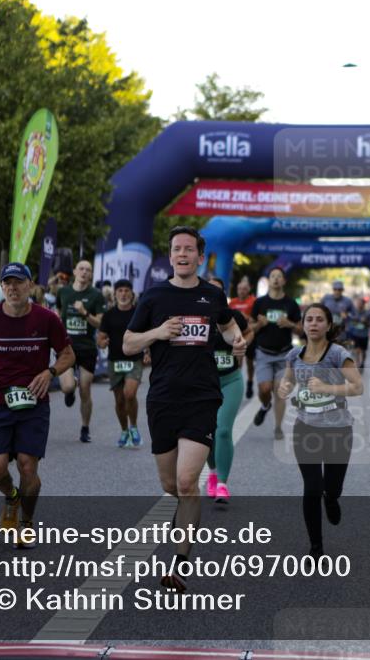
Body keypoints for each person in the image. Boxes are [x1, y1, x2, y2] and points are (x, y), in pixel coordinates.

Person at [123, 225, 246, 593]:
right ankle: (188, 508)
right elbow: (129, 344)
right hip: (162, 397)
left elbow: (226, 327)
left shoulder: (211, 295)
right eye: (176, 248)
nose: (182, 254)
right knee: (169, 484)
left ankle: (178, 563)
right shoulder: (154, 296)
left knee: (186, 480)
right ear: (171, 254)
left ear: (199, 255)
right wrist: (157, 333)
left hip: (202, 397)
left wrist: (236, 342)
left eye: (189, 249)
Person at [0, 263, 75, 548]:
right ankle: (11, 497)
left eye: (18, 282)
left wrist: (49, 372)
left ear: (30, 285)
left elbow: (67, 354)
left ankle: (26, 522)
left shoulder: (47, 319)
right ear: (2, 287)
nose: (13, 288)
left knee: (28, 466)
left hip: (33, 403)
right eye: (7, 283)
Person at [277, 303, 363, 557]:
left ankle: (333, 498)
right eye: (309, 320)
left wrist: (327, 388)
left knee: (331, 487)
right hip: (305, 428)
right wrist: (284, 388)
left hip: (338, 429)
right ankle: (316, 545)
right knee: (312, 488)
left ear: (327, 325)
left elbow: (358, 387)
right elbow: (288, 380)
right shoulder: (294, 355)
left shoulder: (338, 354)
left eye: (319, 320)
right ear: (302, 325)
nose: (313, 324)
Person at [204, 276, 250, 503]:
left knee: (222, 430)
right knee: (206, 432)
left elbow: (248, 333)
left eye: (218, 291)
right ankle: (212, 472)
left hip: (231, 380)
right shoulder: (197, 317)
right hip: (204, 384)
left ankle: (222, 482)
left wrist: (241, 345)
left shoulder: (234, 317)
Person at [56, 259, 106, 443]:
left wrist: (85, 313)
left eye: (88, 270)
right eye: (82, 269)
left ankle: (85, 428)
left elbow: (100, 323)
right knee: (68, 386)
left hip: (87, 348)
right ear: (75, 272)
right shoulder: (64, 291)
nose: (85, 272)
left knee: (85, 389)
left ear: (91, 274)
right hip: (66, 347)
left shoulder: (96, 295)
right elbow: (59, 314)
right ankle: (70, 389)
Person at [251, 267, 302, 441]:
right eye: (273, 276)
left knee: (280, 391)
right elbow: (249, 327)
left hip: (284, 354)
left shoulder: (291, 304)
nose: (276, 279)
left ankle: (278, 428)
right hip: (264, 353)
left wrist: (290, 324)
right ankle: (265, 405)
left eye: (279, 277)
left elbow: (302, 331)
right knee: (265, 389)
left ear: (284, 281)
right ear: (269, 280)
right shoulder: (260, 303)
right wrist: (259, 325)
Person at [97, 279, 145, 448]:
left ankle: (134, 426)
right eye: (120, 291)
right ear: (115, 294)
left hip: (134, 359)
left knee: (129, 394)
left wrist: (148, 351)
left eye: (126, 291)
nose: (123, 294)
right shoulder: (109, 315)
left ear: (131, 293)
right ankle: (124, 430)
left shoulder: (139, 312)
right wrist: (102, 343)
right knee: (119, 400)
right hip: (115, 360)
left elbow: (148, 334)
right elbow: (101, 337)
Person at [228, 276, 256, 399]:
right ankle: (236, 383)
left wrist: (246, 317)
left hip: (248, 334)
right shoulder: (232, 302)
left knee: (250, 362)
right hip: (235, 335)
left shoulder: (253, 301)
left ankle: (250, 382)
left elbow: (255, 318)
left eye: (244, 289)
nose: (242, 291)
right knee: (238, 360)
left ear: (249, 289)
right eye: (240, 289)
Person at [343, 296, 370, 370]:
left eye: (360, 303)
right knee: (356, 350)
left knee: (363, 351)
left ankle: (362, 363)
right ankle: (358, 363)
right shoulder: (352, 313)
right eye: (357, 303)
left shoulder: (368, 313)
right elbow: (347, 320)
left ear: (363, 304)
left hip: (364, 335)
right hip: (354, 334)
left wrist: (365, 322)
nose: (359, 304)